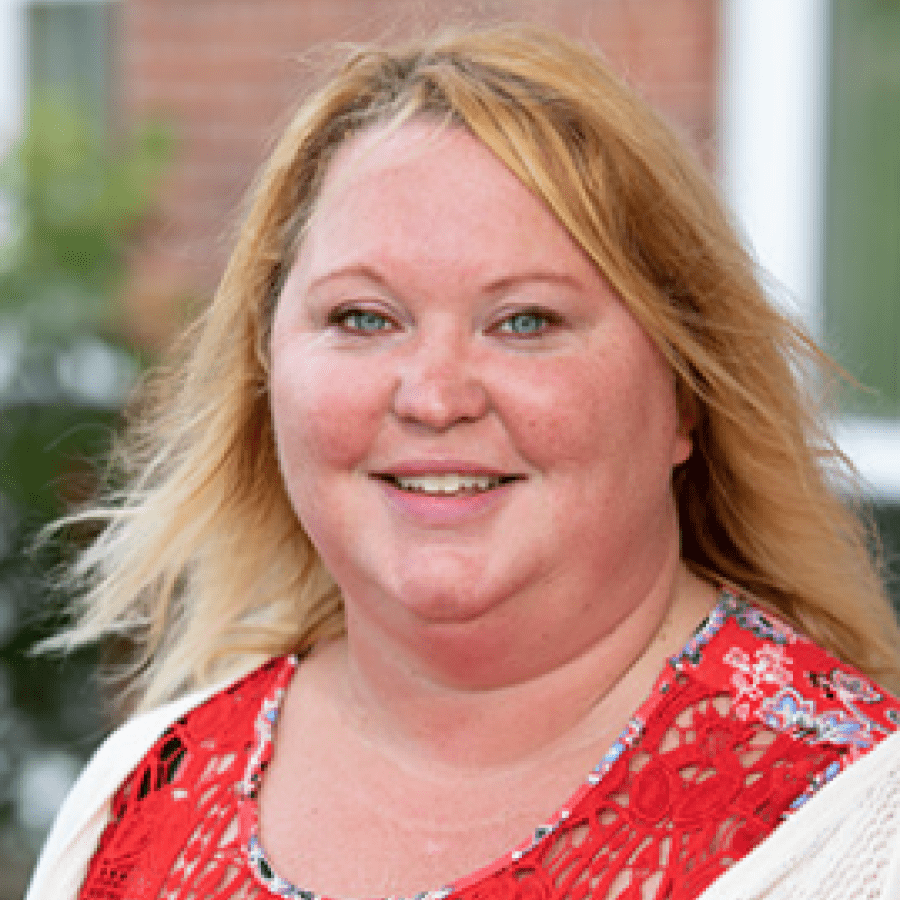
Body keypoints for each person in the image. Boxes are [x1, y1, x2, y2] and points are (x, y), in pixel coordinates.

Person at [27, 24, 900, 900]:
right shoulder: (139, 797)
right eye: (363, 318)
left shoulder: (857, 833)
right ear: (266, 373)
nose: (434, 397)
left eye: (526, 322)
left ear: (684, 394)